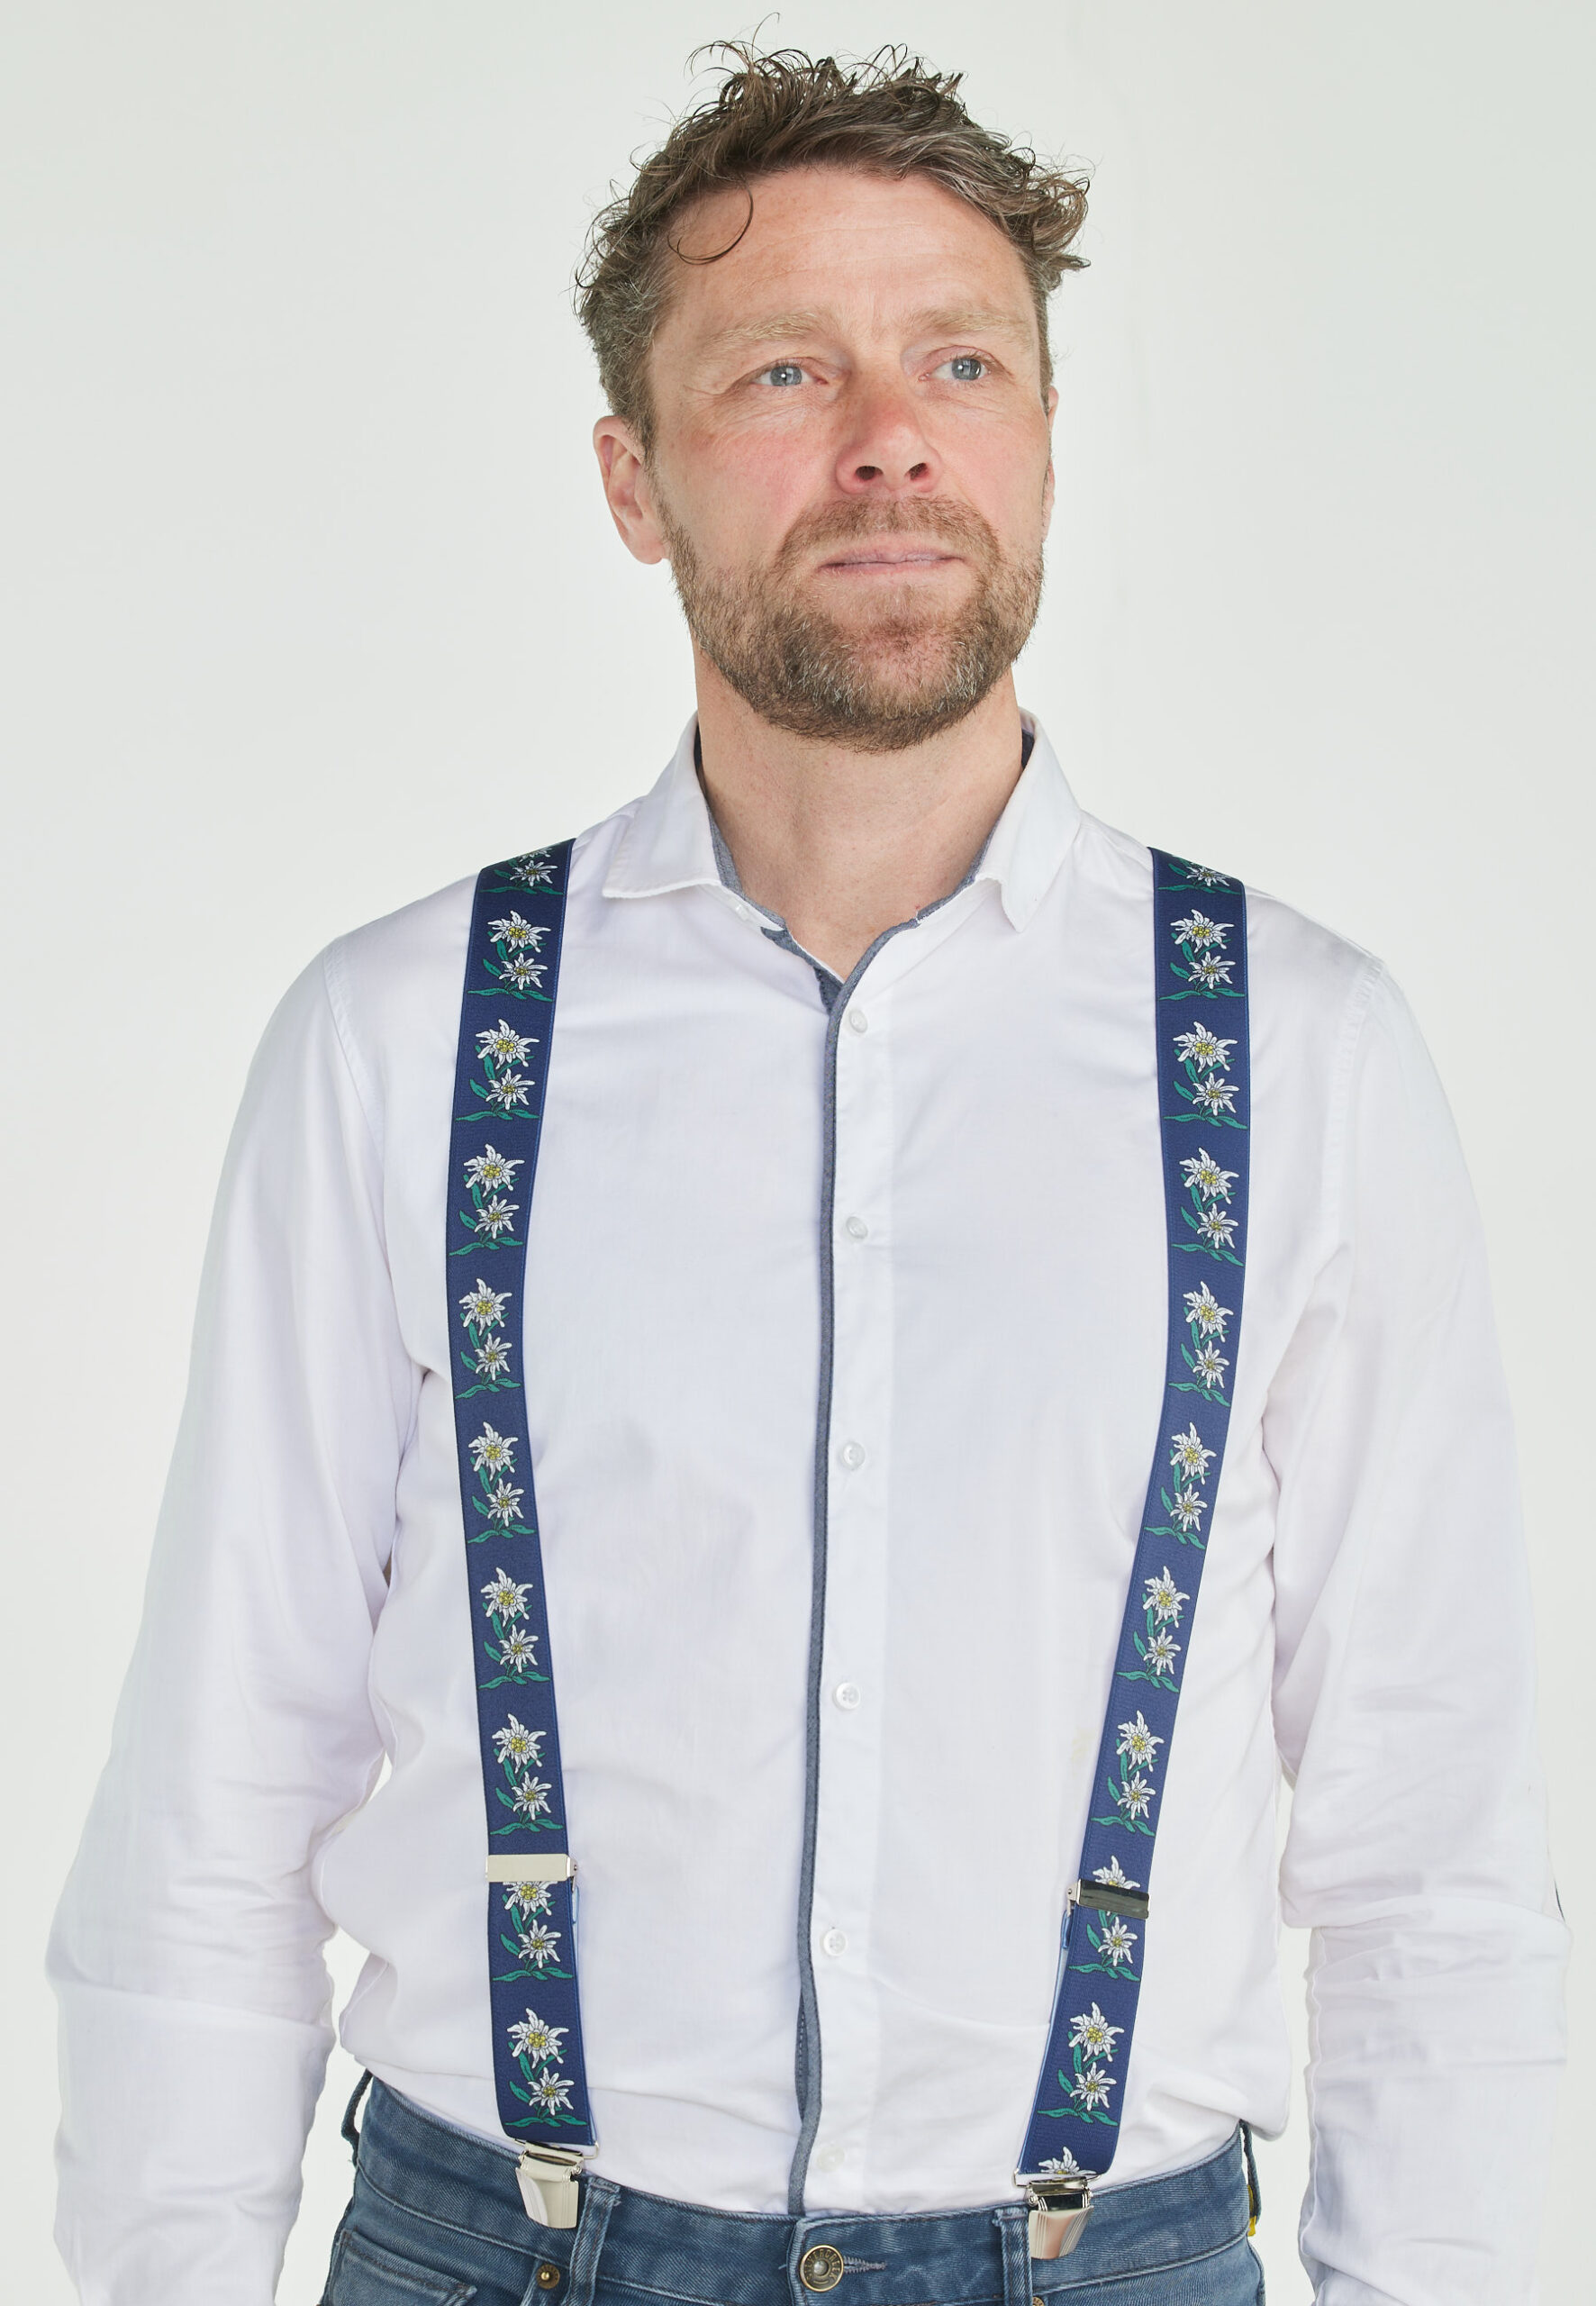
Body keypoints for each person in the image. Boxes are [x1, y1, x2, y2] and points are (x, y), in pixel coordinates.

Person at [49, 44, 1566, 2306]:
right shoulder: (400, 1038)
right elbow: (217, 1792)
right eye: (785, 370)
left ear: (1040, 438)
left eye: (960, 361)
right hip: (496, 2246)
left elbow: (1427, 1844)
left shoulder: (1301, 1054)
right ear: (632, 479)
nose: (888, 439)